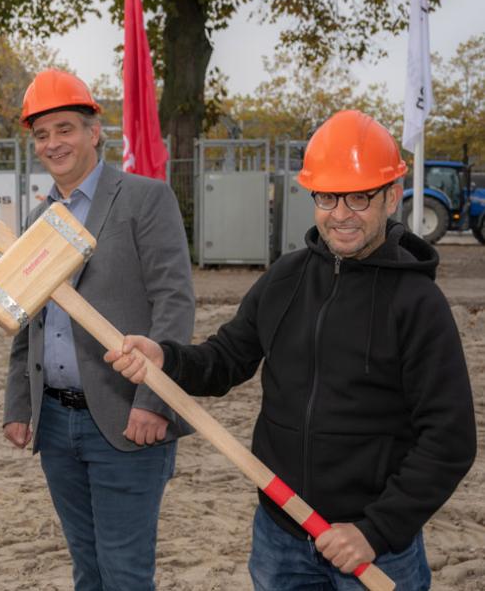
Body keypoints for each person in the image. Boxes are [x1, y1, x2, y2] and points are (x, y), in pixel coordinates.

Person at [107, 110, 477, 590]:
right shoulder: (286, 277)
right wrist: (167, 359)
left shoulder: (419, 304)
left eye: (358, 197)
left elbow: (450, 439)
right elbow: (224, 361)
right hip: (280, 536)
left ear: (391, 196)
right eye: (327, 196)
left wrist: (377, 530)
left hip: (374, 549)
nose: (340, 213)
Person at [2, 69, 196, 590]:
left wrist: (154, 401)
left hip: (125, 420)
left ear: (94, 132)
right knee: (88, 572)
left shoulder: (144, 199)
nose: (52, 143)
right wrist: (20, 405)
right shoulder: (39, 219)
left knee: (125, 574)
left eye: (64, 128)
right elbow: (29, 322)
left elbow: (173, 303)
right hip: (56, 424)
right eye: (41, 135)